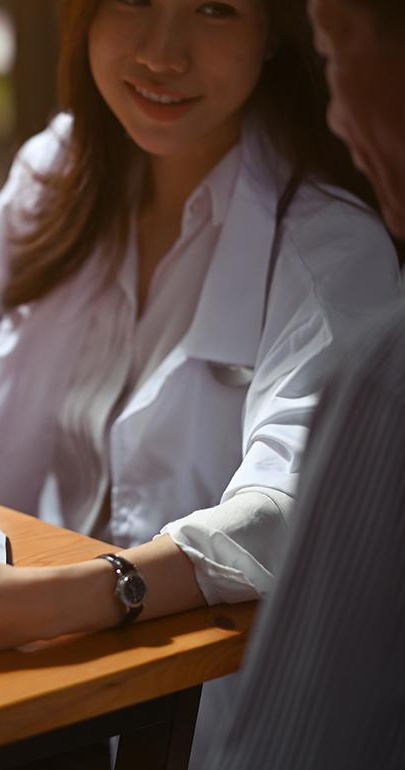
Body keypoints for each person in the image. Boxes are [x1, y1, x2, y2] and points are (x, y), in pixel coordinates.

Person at [0, 0, 401, 763]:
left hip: (204, 720)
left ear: (276, 34)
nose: (162, 53)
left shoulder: (329, 247)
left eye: (215, 9)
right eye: (133, 1)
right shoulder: (59, 169)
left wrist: (65, 597)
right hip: (21, 681)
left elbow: (295, 506)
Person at [203, 0, 405, 766]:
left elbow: (298, 743)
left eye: (338, 55)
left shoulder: (386, 369)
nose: (341, 116)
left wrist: (106, 585)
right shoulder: (53, 177)